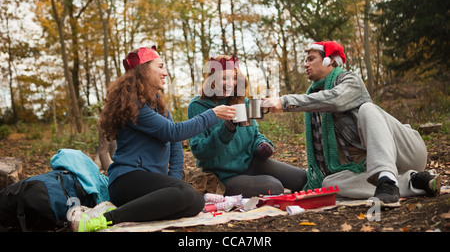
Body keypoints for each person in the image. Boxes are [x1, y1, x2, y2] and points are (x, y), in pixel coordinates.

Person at [69, 46, 236, 232]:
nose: (165, 73)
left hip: (150, 181)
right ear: (144, 70)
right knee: (186, 194)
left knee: (194, 202)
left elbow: (175, 146)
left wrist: (174, 183)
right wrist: (211, 114)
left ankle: (135, 212)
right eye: (160, 67)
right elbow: (172, 132)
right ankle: (107, 218)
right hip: (127, 180)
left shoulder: (158, 103)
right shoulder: (134, 104)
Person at [263, 41, 441, 206]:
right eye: (305, 60)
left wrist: (285, 101)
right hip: (370, 166)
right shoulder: (315, 98)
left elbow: (334, 100)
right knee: (329, 183)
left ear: (329, 60)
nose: (305, 64)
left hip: (406, 152)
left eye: (311, 59)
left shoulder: (350, 80)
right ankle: (412, 181)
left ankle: (388, 178)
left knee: (367, 109)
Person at [187, 55, 307, 197]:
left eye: (233, 78)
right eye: (224, 78)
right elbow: (199, 150)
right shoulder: (198, 106)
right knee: (274, 188)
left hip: (250, 162)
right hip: (223, 175)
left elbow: (254, 134)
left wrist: (262, 144)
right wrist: (226, 130)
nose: (230, 83)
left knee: (301, 179)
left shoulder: (240, 101)